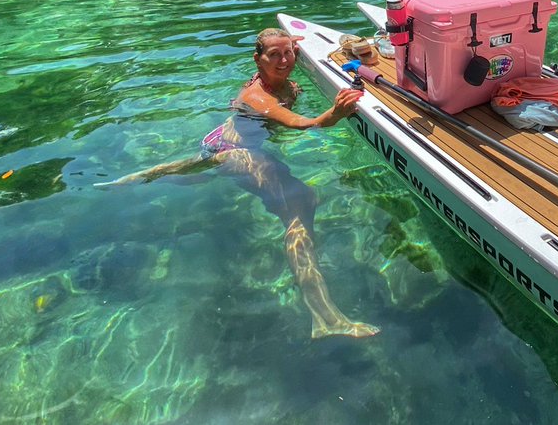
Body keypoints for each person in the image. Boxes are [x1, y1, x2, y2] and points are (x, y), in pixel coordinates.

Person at [98, 28, 378, 340]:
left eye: (288, 53)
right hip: (236, 153)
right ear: (258, 60)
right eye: (275, 55)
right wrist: (334, 114)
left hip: (223, 142)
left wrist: (290, 44)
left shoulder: (279, 75)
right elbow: (303, 123)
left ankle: (142, 176)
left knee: (208, 166)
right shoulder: (257, 96)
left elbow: (283, 56)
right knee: (301, 202)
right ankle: (326, 318)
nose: (285, 60)